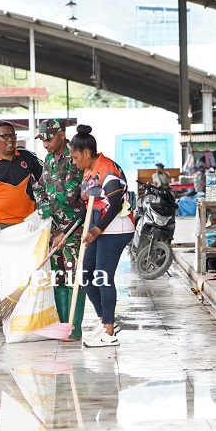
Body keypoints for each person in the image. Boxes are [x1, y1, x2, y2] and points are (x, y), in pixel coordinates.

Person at [56, 124, 134, 348]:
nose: (73, 161)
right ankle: (105, 320)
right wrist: (67, 230)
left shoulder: (107, 169)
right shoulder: (89, 172)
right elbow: (85, 207)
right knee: (85, 275)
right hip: (98, 228)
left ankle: (109, 333)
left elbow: (115, 203)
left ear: (87, 153)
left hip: (116, 228)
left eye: (75, 157)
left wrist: (96, 229)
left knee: (102, 276)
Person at [27, 119, 86, 341]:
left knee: (73, 277)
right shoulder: (50, 160)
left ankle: (74, 329)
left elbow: (69, 196)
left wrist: (44, 206)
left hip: (72, 229)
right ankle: (63, 327)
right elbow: (40, 187)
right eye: (42, 139)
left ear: (61, 135)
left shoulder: (74, 159)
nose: (45, 144)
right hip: (53, 230)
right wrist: (43, 207)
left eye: (48, 138)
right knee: (58, 277)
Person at [0, 121, 43, 227]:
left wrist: (41, 210)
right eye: (5, 136)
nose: (10, 139)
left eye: (13, 135)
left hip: (28, 222)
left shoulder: (27, 156)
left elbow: (47, 179)